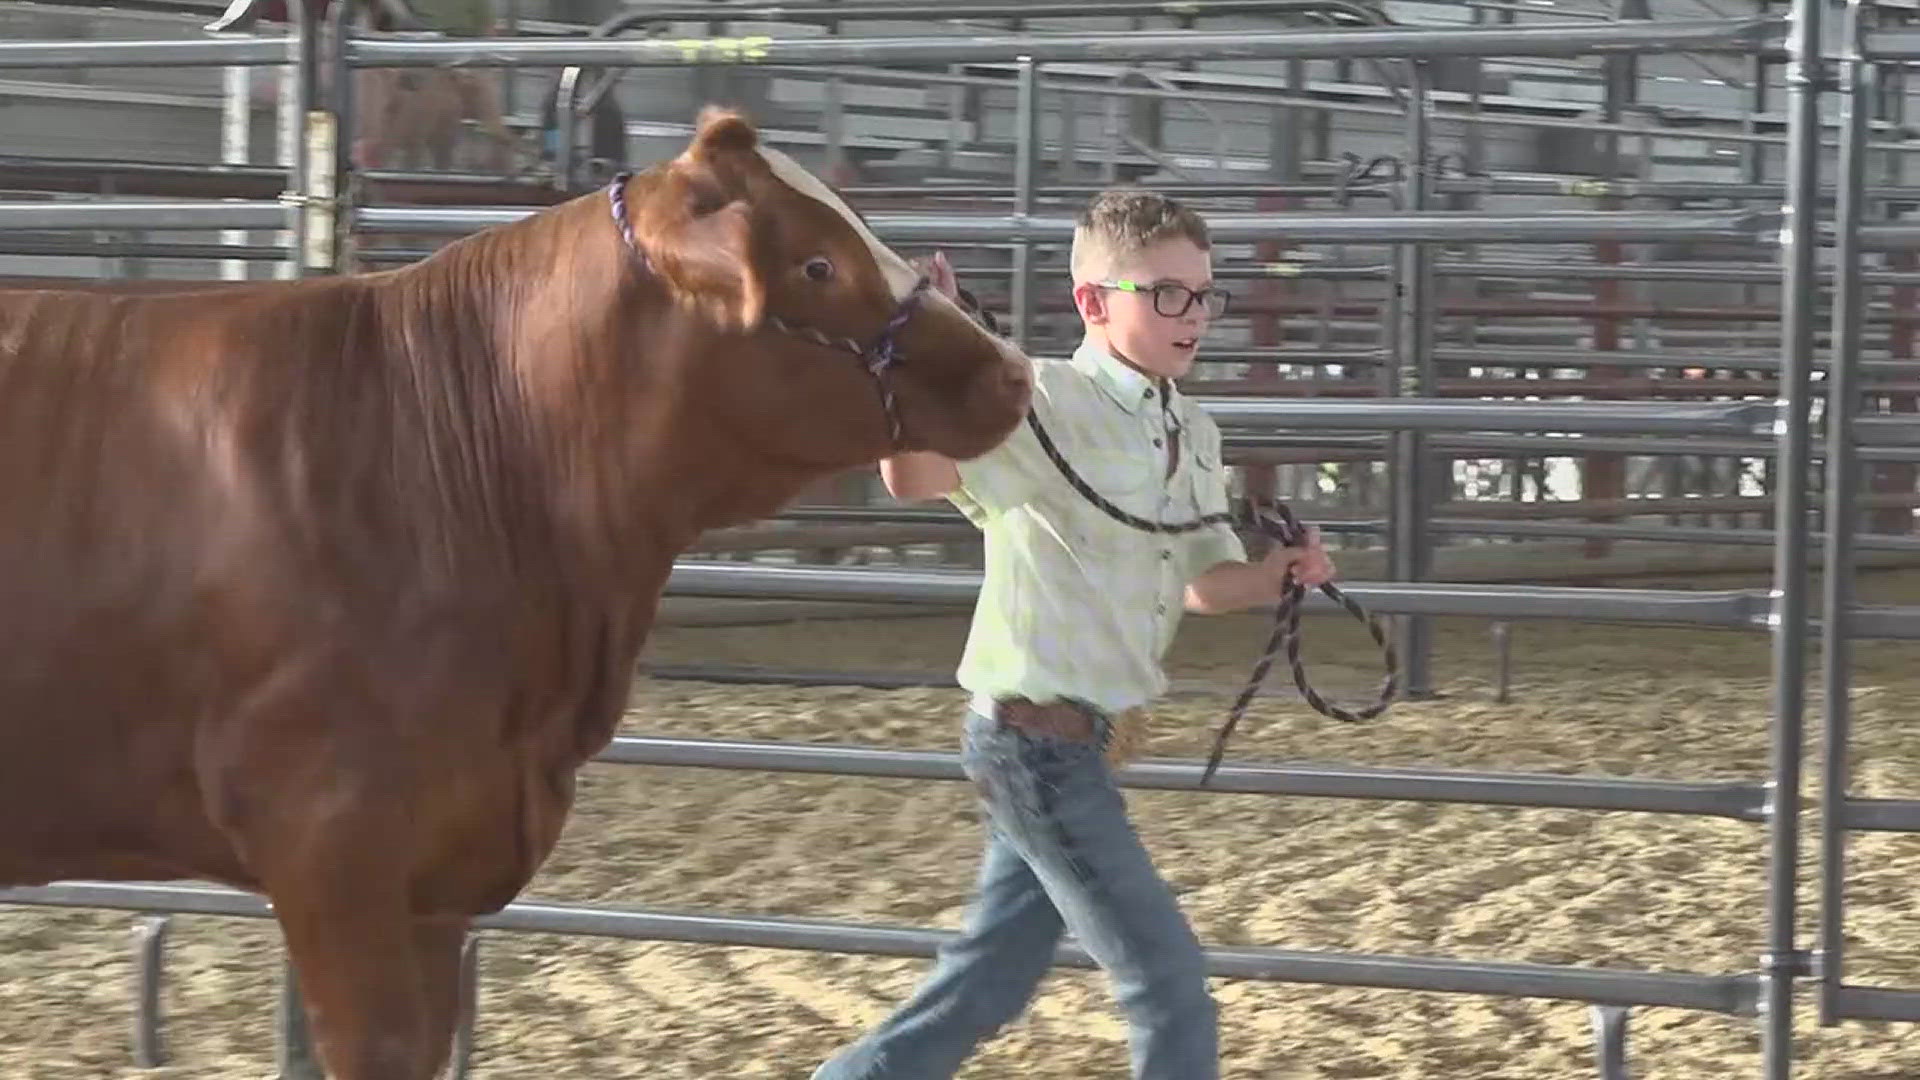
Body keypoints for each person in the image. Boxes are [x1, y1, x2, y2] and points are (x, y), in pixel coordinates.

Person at [809, 188, 1335, 1079]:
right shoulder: (1034, 397)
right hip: (1033, 743)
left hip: (1077, 750)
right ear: (1093, 302)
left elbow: (1203, 584)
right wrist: (918, 362)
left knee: (983, 987)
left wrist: (1281, 574)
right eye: (1166, 293)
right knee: (1167, 984)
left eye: (1204, 295)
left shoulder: (1192, 429)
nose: (1194, 314)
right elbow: (917, 477)